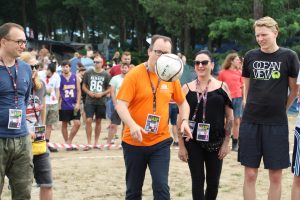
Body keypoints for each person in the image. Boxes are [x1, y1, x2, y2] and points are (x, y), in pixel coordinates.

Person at [115, 34, 192, 199]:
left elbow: (183, 103)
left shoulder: (171, 76)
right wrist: (132, 124)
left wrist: (184, 120)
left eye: (167, 53)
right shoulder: (134, 75)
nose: (163, 57)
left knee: (161, 187)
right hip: (134, 141)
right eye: (158, 52)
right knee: (134, 190)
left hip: (160, 142)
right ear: (149, 51)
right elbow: (120, 104)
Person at [238, 16, 299, 200]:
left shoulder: (289, 56)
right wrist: (248, 107)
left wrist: (283, 108)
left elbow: (294, 89)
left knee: (275, 175)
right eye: (257, 35)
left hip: (276, 123)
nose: (260, 38)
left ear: (275, 32)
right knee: (250, 174)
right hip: (251, 122)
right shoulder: (250, 56)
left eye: (264, 34)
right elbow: (246, 88)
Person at [178, 50, 233, 200]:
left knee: (213, 182)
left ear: (212, 65)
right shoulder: (186, 88)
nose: (200, 65)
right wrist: (181, 145)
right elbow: (180, 118)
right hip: (192, 141)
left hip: (216, 141)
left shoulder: (222, 87)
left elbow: (230, 118)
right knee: (197, 181)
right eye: (197, 63)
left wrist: (226, 143)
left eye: (204, 62)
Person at [0, 22, 33, 199]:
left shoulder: (26, 69)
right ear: (3, 42)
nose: (23, 46)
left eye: (24, 42)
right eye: (18, 41)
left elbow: (24, 99)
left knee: (24, 192)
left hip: (21, 139)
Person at [21, 52, 53, 200]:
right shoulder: (15, 86)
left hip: (39, 140)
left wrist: (42, 128)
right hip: (20, 141)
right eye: (30, 66)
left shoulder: (41, 86)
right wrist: (25, 130)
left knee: (47, 183)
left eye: (36, 66)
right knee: (21, 187)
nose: (34, 69)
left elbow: (43, 109)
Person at [82, 55, 111, 150]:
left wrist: (102, 93)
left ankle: (96, 142)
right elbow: (84, 86)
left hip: (101, 101)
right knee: (88, 120)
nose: (95, 64)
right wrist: (88, 92)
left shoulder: (106, 75)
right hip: (90, 100)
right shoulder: (88, 72)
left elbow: (110, 88)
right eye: (94, 62)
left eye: (97, 62)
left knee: (98, 121)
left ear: (102, 63)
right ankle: (89, 142)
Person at [218, 52, 244, 151]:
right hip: (226, 99)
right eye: (237, 60)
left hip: (238, 98)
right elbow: (219, 86)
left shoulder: (240, 72)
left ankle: (235, 143)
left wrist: (244, 99)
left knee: (237, 121)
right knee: (225, 121)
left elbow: (243, 86)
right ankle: (224, 141)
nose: (239, 61)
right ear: (231, 61)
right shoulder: (222, 73)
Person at [58, 60, 81, 150]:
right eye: (63, 67)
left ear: (70, 67)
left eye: (66, 66)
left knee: (77, 123)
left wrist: (78, 103)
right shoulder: (59, 78)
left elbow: (78, 91)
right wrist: (58, 103)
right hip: (64, 104)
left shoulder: (75, 77)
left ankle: (69, 141)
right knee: (64, 124)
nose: (65, 68)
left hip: (74, 104)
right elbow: (58, 91)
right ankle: (67, 143)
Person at [38, 62, 61, 152]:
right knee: (41, 123)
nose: (49, 74)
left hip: (53, 103)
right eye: (48, 72)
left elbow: (57, 90)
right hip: (42, 103)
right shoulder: (40, 75)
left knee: (49, 124)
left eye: (51, 73)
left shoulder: (56, 77)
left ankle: (47, 143)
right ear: (46, 69)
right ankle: (39, 142)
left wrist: (58, 103)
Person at [106, 63, 130, 145]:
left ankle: (124, 142)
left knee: (126, 125)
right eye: (123, 67)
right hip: (118, 104)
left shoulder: (131, 78)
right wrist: (115, 104)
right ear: (121, 68)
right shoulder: (115, 78)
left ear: (128, 68)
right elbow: (112, 92)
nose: (124, 69)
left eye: (126, 67)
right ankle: (108, 143)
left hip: (128, 105)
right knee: (113, 125)